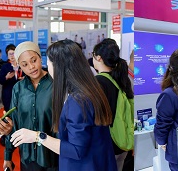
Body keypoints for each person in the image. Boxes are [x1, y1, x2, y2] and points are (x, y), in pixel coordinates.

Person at [15, 40, 115, 171]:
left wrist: (37, 136)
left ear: (58, 66)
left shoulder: (77, 101)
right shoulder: (90, 89)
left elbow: (76, 150)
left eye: (48, 63)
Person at [0, 41, 57, 171]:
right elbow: (14, 122)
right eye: (24, 64)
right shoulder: (18, 88)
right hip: (27, 157)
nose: (31, 67)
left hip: (53, 156)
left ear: (40, 58)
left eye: (34, 60)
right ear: (19, 66)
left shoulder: (55, 84)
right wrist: (8, 155)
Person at [92, 39, 134, 171]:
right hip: (121, 141)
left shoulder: (98, 82)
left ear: (98, 57)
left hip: (107, 144)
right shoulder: (121, 78)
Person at [0, 44, 21, 112]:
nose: (12, 56)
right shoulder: (5, 66)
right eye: (10, 54)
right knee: (9, 112)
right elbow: (1, 81)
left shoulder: (22, 65)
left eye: (13, 53)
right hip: (9, 94)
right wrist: (6, 77)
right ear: (7, 56)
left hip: (21, 93)